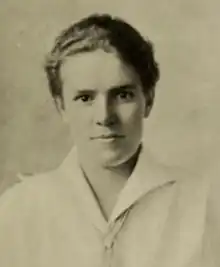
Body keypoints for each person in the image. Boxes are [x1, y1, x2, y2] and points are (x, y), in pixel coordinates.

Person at [0, 13, 218, 267]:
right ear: (61, 107)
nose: (105, 116)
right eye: (85, 98)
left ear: (148, 99)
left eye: (123, 95)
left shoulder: (202, 206)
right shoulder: (19, 210)